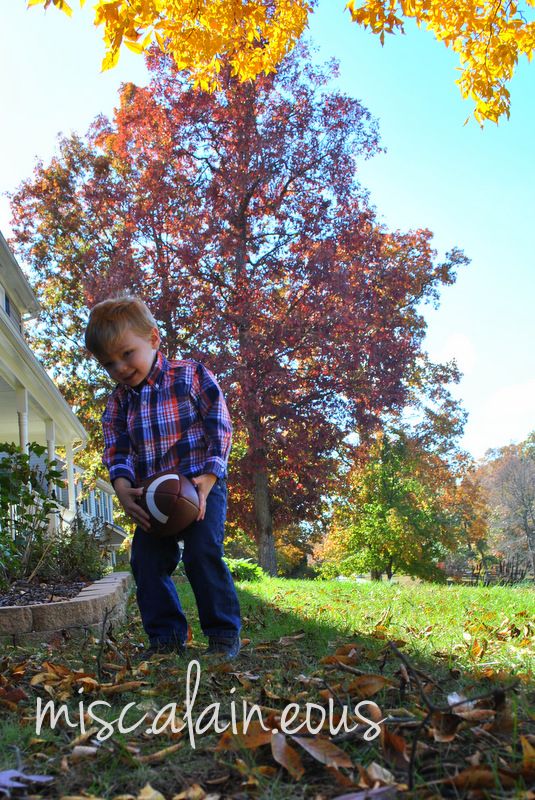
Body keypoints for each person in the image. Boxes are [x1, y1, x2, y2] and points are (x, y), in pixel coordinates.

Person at [84, 296, 241, 659]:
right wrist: (123, 489)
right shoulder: (118, 403)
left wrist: (210, 477)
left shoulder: (190, 375)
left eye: (127, 354)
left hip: (200, 486)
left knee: (202, 552)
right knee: (146, 560)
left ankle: (222, 633)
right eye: (109, 363)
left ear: (153, 339)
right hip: (153, 496)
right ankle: (166, 637)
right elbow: (117, 450)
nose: (120, 368)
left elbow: (220, 425)